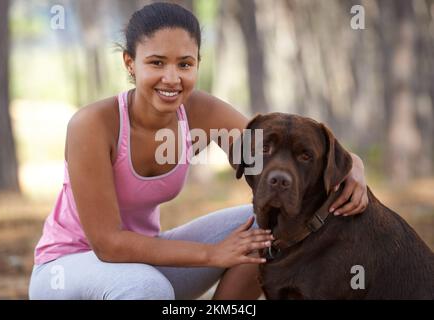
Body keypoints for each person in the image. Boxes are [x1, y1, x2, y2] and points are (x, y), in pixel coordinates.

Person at [28, 2, 368, 300]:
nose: (172, 78)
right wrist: (212, 254)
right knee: (147, 289)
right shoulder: (92, 124)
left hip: (144, 260)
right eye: (157, 63)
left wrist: (351, 162)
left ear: (197, 64)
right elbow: (108, 244)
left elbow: (271, 144)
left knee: (263, 229)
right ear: (130, 63)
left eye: (185, 64)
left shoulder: (198, 111)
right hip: (68, 267)